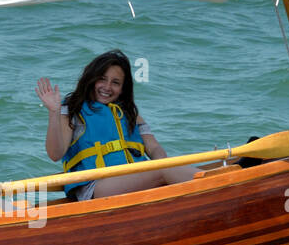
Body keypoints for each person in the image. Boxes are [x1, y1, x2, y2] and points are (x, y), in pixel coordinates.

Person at [36, 49, 198, 200]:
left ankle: (214, 184)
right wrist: (54, 112)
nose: (107, 87)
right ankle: (215, 183)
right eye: (102, 79)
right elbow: (55, 154)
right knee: (164, 171)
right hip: (94, 186)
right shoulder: (72, 109)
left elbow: (154, 148)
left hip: (131, 178)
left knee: (166, 168)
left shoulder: (129, 113)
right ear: (91, 79)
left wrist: (161, 162)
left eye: (115, 82)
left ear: (122, 88)